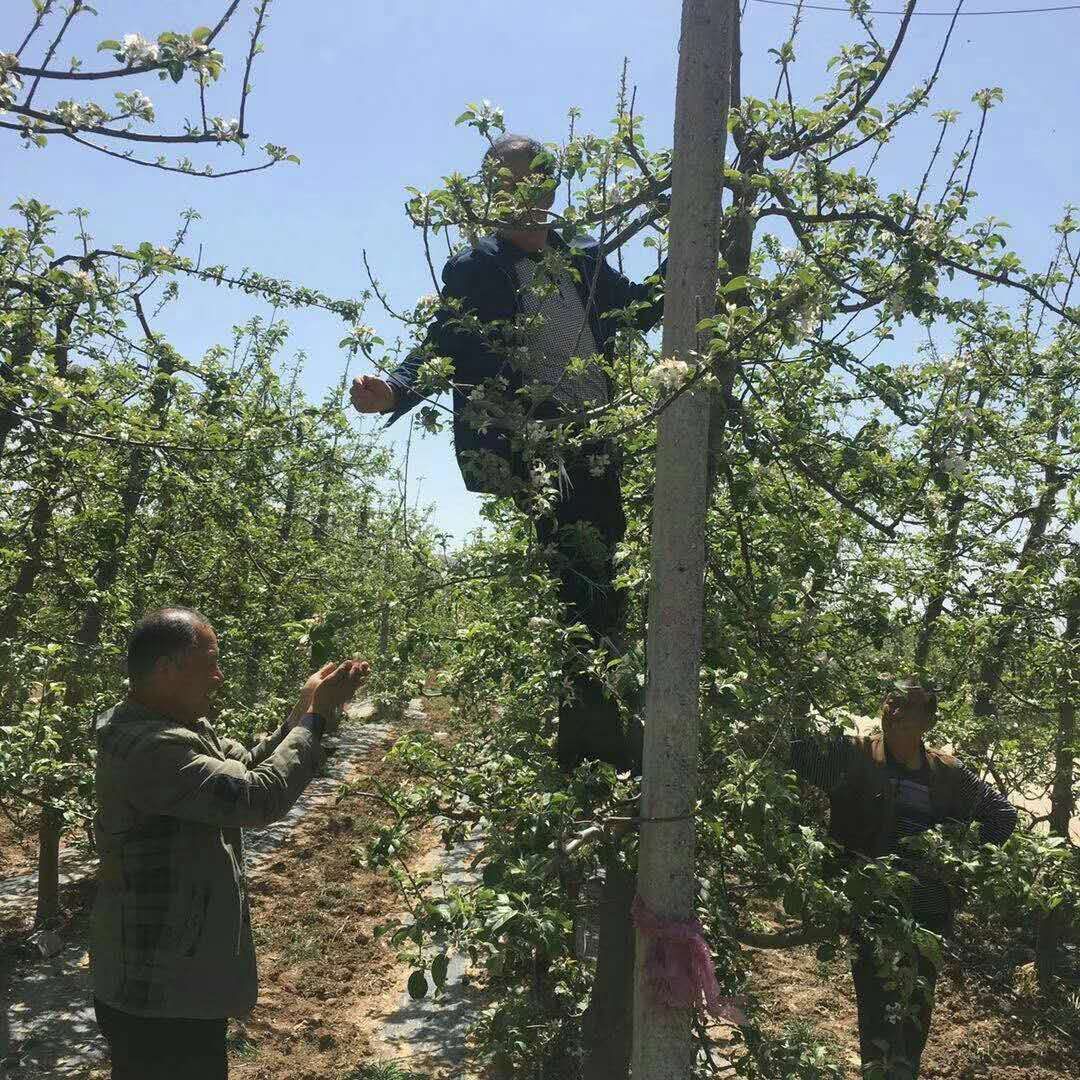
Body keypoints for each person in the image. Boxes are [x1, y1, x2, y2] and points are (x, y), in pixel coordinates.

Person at [350, 133, 666, 770]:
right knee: (578, 574)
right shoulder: (475, 268)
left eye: (528, 180)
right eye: (502, 182)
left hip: (594, 437)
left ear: (549, 186)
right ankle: (592, 738)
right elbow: (444, 343)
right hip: (533, 444)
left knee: (603, 570)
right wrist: (396, 388)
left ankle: (599, 728)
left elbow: (632, 311)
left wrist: (689, 261)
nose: (516, 193)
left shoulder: (580, 251)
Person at [90, 607, 368, 1080]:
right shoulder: (149, 749)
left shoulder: (178, 726)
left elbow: (250, 766)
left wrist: (306, 709)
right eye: (211, 662)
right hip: (156, 992)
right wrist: (315, 718)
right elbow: (257, 796)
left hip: (177, 980)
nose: (219, 676)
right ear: (167, 669)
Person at [789, 680, 1018, 1078]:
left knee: (914, 1015)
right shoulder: (855, 756)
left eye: (907, 706)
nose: (894, 711)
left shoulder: (946, 775)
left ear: (927, 721)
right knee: (876, 1012)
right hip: (871, 910)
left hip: (928, 915)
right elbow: (790, 752)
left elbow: (1002, 816)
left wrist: (957, 855)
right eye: (891, 702)